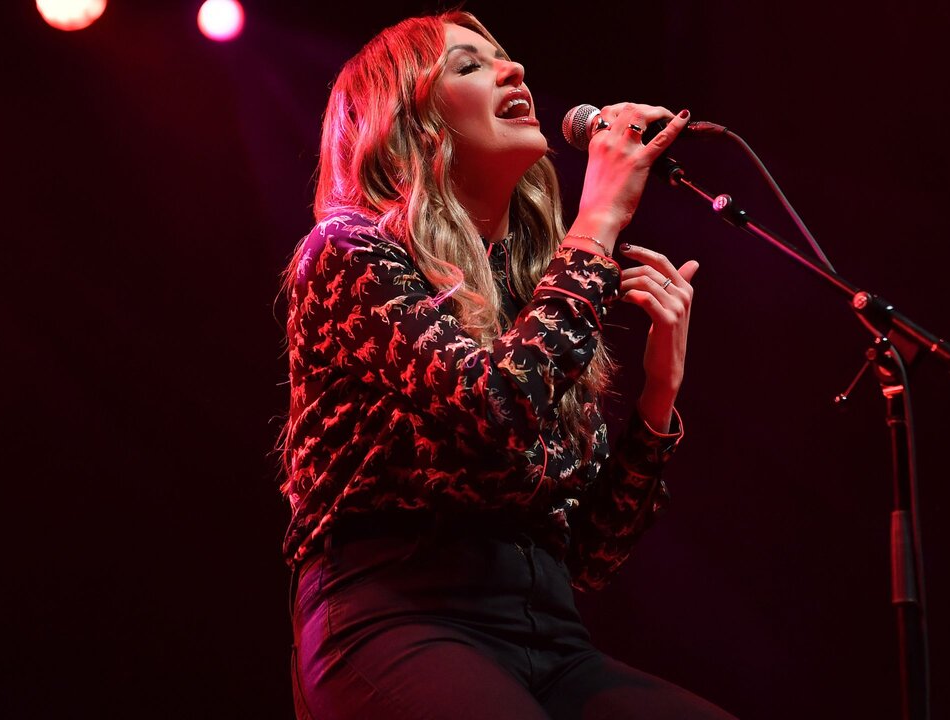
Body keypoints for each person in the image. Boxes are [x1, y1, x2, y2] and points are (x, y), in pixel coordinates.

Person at [277, 10, 735, 719]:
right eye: (467, 65)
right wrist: (599, 223)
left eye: (505, 57)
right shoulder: (348, 254)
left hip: (547, 637)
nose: (513, 69)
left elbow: (588, 554)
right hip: (396, 616)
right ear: (411, 124)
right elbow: (490, 406)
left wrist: (658, 396)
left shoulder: (533, 293)